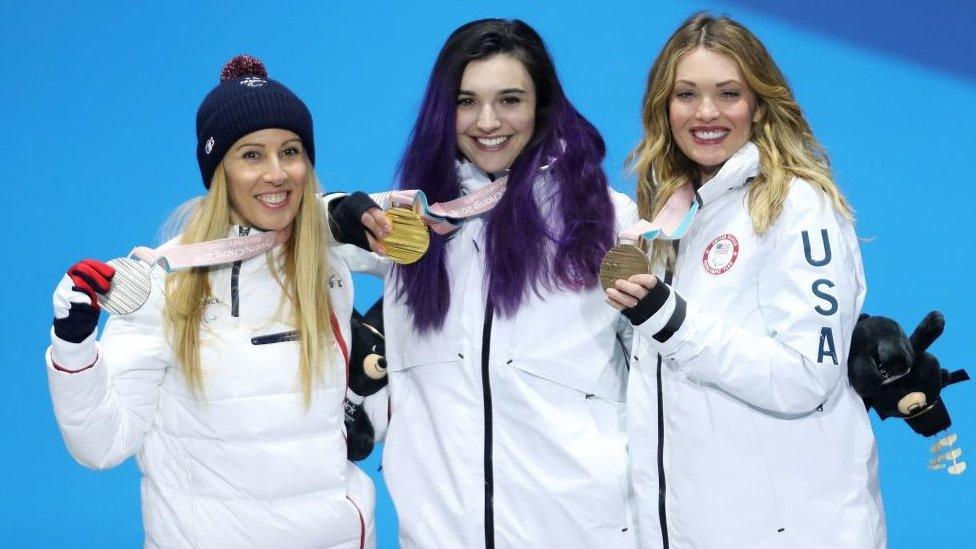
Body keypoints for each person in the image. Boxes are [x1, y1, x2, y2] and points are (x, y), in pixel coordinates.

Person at [45, 55, 387, 548]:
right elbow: (101, 443)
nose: (277, 174)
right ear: (218, 169)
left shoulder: (326, 261)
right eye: (251, 155)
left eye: (290, 151)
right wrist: (73, 348)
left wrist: (339, 209)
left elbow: (435, 234)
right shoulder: (167, 283)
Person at [607, 13, 885, 548]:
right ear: (663, 107)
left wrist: (672, 321)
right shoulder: (665, 213)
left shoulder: (798, 206)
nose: (706, 112)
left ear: (758, 104)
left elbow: (807, 375)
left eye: (728, 93)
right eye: (686, 94)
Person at [372, 18, 639, 549]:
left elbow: (661, 376)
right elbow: (285, 223)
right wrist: (341, 211)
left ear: (542, 105)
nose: (487, 122)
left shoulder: (606, 220)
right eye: (466, 101)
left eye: (509, 99)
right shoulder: (406, 226)